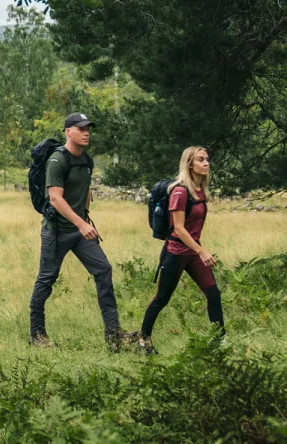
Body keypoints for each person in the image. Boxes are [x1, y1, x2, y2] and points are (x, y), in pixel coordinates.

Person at [29, 112, 135, 351]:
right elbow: (56, 199)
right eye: (81, 128)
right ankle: (36, 334)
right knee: (47, 279)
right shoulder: (57, 160)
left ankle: (113, 333)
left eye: (88, 128)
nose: (86, 132)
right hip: (56, 232)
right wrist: (81, 224)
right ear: (68, 131)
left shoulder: (86, 159)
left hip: (79, 231)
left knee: (103, 270)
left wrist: (86, 218)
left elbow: (85, 190)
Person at [138, 146, 224, 354]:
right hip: (176, 252)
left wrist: (197, 250)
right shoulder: (179, 191)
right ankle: (143, 341)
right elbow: (178, 228)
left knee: (213, 294)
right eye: (200, 160)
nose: (206, 163)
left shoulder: (200, 192)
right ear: (189, 164)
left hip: (192, 253)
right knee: (162, 298)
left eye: (207, 159)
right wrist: (202, 251)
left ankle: (220, 343)